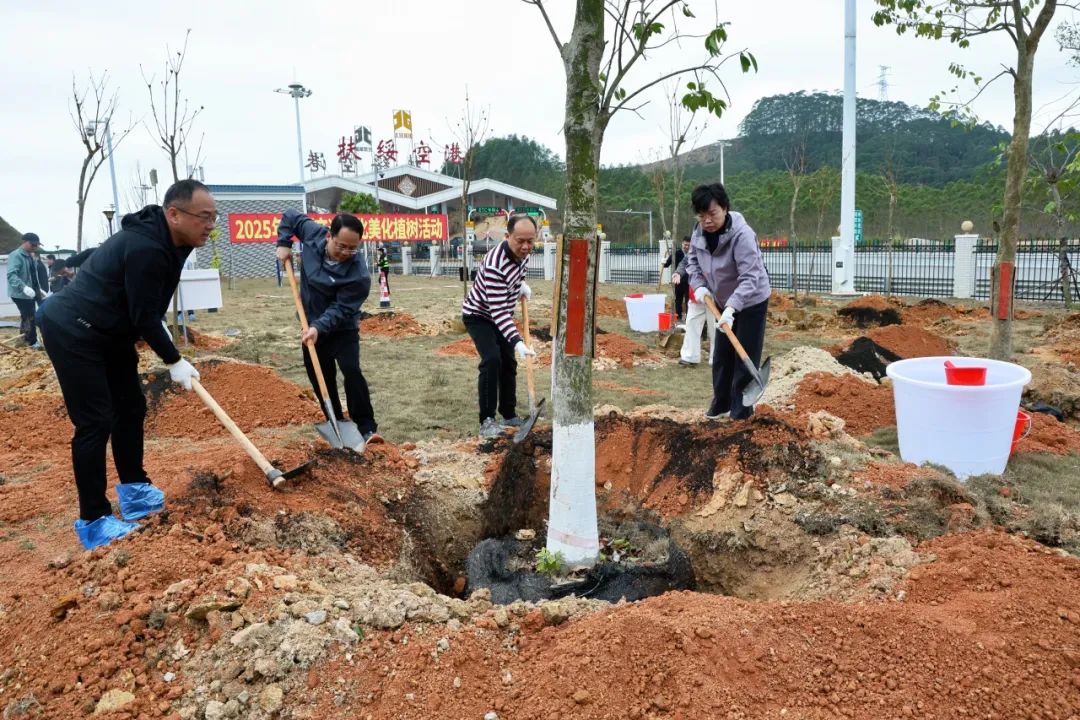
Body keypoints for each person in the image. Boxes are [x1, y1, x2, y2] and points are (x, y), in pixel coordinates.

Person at [38, 180, 212, 550]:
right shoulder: (147, 246)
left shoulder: (176, 242)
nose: (210, 225)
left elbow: (141, 302)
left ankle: (134, 491)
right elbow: (144, 316)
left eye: (214, 217)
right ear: (174, 214)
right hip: (73, 329)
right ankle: (94, 520)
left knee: (130, 407)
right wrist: (174, 360)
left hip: (111, 331)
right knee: (95, 421)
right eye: (204, 216)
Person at [275, 211, 381, 446]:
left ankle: (366, 427)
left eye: (352, 249)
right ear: (329, 236)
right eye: (341, 246)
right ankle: (335, 423)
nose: (345, 253)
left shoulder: (359, 275)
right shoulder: (313, 234)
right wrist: (283, 243)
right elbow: (291, 217)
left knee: (351, 371)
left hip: (342, 329)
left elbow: (340, 309)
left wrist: (318, 327)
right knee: (320, 377)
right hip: (309, 325)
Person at [684, 183, 771, 420]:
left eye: (712, 213)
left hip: (751, 300)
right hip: (721, 301)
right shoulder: (698, 233)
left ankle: (741, 410)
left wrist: (732, 308)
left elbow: (750, 276)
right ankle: (721, 403)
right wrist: (699, 286)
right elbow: (692, 263)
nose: (707, 220)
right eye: (701, 215)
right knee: (722, 355)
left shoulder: (742, 235)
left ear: (724, 208)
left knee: (744, 355)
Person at [461, 214, 536, 438]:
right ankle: (487, 421)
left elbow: (516, 275)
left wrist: (520, 285)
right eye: (520, 241)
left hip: (499, 313)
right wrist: (518, 342)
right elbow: (499, 312)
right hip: (479, 315)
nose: (525, 246)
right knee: (492, 359)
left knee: (508, 362)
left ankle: (509, 414)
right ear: (507, 236)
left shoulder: (523, 255)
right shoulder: (495, 264)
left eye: (530, 241)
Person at [6, 232, 46, 348]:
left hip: (33, 290)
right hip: (21, 293)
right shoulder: (16, 255)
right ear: (24, 242)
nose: (35, 247)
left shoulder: (30, 255)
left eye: (37, 245)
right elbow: (11, 275)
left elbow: (32, 275)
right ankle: (32, 342)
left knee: (34, 314)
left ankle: (24, 339)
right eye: (33, 244)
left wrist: (38, 289)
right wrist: (23, 287)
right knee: (29, 316)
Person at [664, 236, 692, 321]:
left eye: (688, 245)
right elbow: (667, 264)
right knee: (678, 299)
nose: (686, 247)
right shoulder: (677, 253)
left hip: (689, 281)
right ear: (682, 244)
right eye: (685, 245)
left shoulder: (692, 254)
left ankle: (688, 317)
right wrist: (664, 261)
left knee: (688, 300)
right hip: (678, 280)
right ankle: (678, 316)